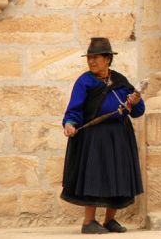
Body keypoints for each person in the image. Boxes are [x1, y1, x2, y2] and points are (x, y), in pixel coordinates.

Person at [61, 37, 145, 234]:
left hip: (119, 137)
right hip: (93, 138)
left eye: (95, 57)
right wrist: (69, 123)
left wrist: (136, 99)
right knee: (94, 177)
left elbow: (137, 111)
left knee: (117, 176)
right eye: (89, 58)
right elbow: (74, 109)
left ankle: (109, 220)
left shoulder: (121, 81)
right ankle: (88, 222)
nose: (91, 62)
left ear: (108, 59)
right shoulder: (85, 81)